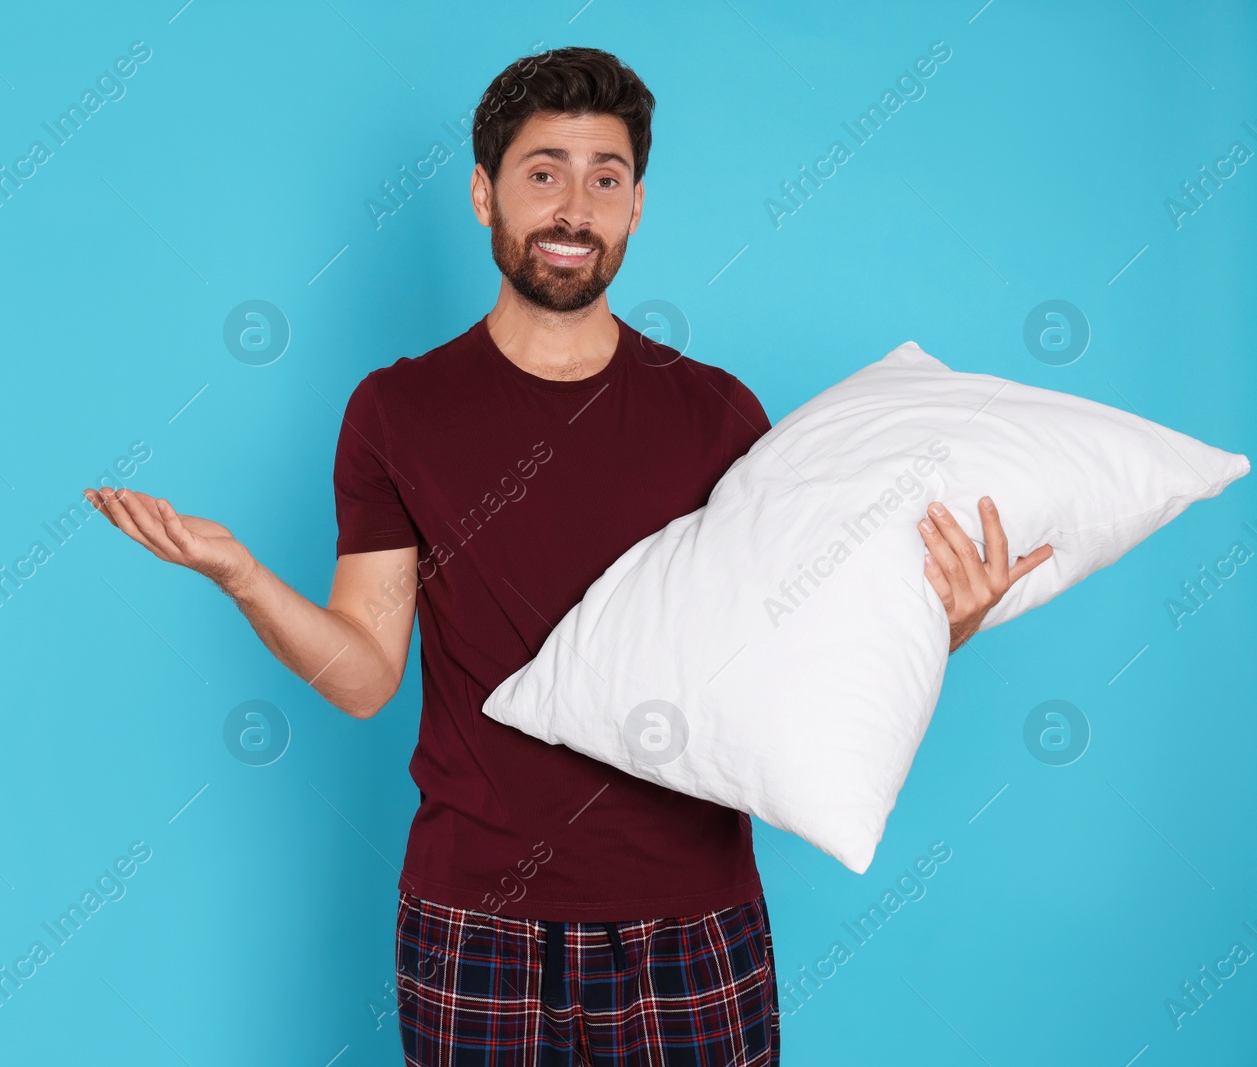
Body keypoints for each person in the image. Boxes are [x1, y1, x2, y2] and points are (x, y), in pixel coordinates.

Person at [86, 45, 1051, 1066]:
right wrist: (242, 574)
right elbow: (366, 674)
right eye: (542, 172)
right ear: (482, 194)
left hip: (692, 914)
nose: (573, 209)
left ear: (637, 205)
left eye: (605, 178)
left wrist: (937, 623)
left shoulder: (717, 415)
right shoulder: (396, 412)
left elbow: (782, 659)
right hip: (476, 916)